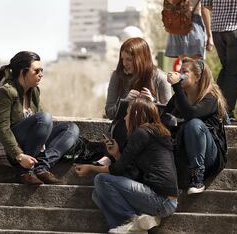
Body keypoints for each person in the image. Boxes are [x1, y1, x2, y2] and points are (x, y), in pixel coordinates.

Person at [75, 98, 178, 234]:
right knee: (97, 194)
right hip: (163, 199)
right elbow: (132, 173)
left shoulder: (142, 133)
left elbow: (117, 170)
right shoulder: (155, 132)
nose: (124, 118)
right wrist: (117, 154)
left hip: (161, 200)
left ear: (136, 115)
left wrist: (90, 168)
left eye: (127, 113)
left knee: (101, 180)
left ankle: (131, 221)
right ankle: (134, 226)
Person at [0, 51, 80, 185]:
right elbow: (2, 129)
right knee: (44, 118)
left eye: (41, 70)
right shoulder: (6, 92)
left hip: (28, 143)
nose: (41, 74)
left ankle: (42, 166)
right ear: (22, 72)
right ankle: (24, 172)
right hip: (3, 145)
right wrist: (19, 156)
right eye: (36, 71)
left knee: (71, 129)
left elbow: (41, 127)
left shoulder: (34, 91)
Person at [165, 57, 228, 195]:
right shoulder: (179, 97)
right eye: (179, 71)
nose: (180, 74)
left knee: (194, 124)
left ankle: (197, 178)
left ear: (197, 76)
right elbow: (163, 117)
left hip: (210, 155)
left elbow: (192, 114)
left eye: (184, 71)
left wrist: (176, 87)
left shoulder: (211, 97)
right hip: (185, 153)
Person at [105, 37, 172, 148]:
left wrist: (153, 102)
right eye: (122, 59)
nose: (124, 63)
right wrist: (125, 102)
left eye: (129, 59)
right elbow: (109, 113)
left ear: (141, 58)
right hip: (122, 131)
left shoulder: (160, 78)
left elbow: (170, 117)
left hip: (151, 135)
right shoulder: (117, 77)